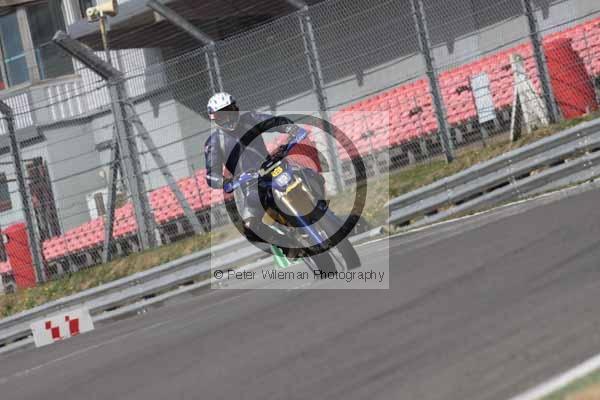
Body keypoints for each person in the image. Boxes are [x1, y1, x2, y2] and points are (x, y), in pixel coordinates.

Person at [203, 92, 317, 248]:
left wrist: (290, 128)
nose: (228, 118)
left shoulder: (250, 119)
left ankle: (322, 210)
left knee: (308, 174)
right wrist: (225, 182)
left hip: (272, 167)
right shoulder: (214, 142)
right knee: (250, 228)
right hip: (251, 184)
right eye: (222, 115)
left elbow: (273, 121)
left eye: (230, 112)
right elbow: (211, 175)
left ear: (236, 109)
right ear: (214, 118)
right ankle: (290, 245)